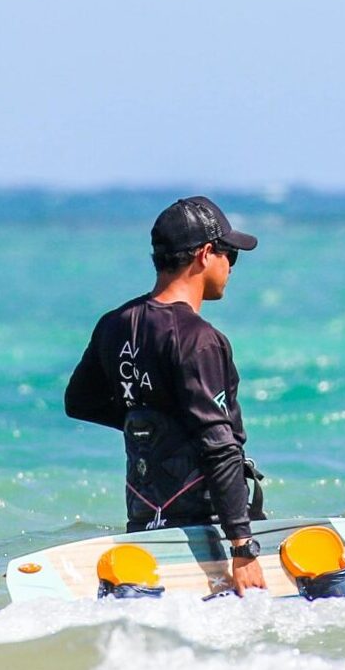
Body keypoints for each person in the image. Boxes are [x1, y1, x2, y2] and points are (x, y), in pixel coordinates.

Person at [66, 195, 268, 593]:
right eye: (230, 255)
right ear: (205, 255)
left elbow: (80, 402)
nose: (231, 267)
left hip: (145, 516)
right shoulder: (200, 340)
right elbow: (220, 446)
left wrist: (156, 423)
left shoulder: (115, 324)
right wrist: (244, 546)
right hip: (204, 525)